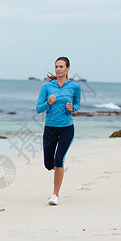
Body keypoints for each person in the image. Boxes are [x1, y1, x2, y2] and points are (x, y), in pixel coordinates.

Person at [36, 57, 81, 205]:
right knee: (49, 164)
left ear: (68, 68)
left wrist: (72, 108)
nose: (58, 69)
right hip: (50, 128)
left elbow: (77, 105)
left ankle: (55, 195)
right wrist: (48, 103)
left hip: (67, 128)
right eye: (56, 66)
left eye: (61, 66)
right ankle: (61, 166)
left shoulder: (74, 87)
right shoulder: (47, 87)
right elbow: (38, 109)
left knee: (58, 159)